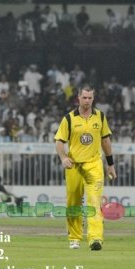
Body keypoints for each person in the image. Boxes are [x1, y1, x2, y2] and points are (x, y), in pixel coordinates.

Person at [54, 83, 117, 251]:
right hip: (74, 166)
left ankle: (95, 238)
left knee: (94, 202)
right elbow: (59, 141)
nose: (87, 101)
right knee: (73, 202)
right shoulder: (69, 118)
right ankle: (74, 238)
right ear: (78, 98)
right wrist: (63, 157)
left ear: (93, 98)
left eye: (90, 98)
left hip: (94, 164)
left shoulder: (100, 117)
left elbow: (106, 141)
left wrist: (110, 165)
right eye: (84, 97)